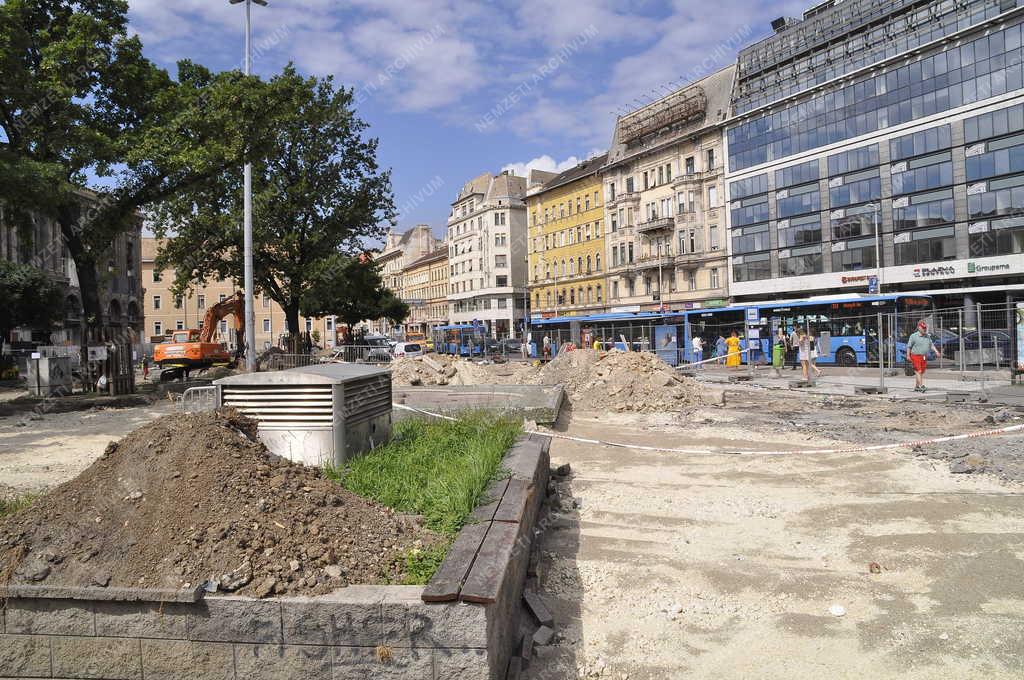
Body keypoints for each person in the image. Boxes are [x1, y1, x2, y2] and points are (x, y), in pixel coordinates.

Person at [907, 320, 938, 392]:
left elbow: (931, 345)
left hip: (923, 356)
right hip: (915, 356)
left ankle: (917, 386)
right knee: (919, 371)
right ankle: (921, 386)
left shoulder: (927, 336)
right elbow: (909, 346)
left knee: (921, 372)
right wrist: (908, 355)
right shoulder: (913, 336)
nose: (925, 329)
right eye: (923, 328)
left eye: (925, 328)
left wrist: (936, 351)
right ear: (919, 328)